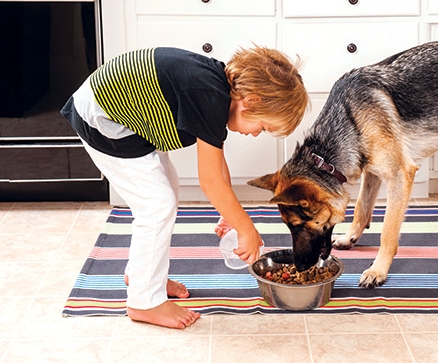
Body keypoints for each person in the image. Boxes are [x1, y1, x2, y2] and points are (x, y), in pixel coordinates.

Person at [61, 46, 308, 329]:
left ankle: (143, 275)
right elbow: (210, 180)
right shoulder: (210, 96)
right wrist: (246, 228)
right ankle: (144, 302)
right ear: (250, 102)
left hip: (125, 118)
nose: (254, 134)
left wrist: (228, 211)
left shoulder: (217, 90)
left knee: (166, 189)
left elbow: (217, 163)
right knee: (156, 206)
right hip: (104, 119)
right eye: (261, 127)